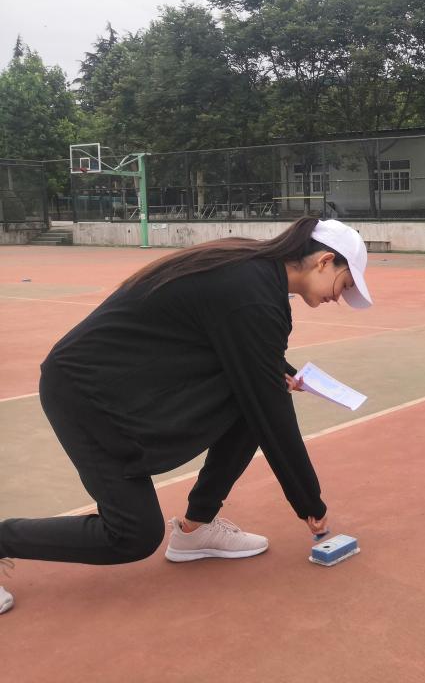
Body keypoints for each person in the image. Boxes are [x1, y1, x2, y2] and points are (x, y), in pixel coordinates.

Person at [0, 216, 373, 614]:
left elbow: (245, 353)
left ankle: (196, 529)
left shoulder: (255, 275)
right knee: (133, 534)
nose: (340, 297)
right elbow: (272, 414)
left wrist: (276, 372)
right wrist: (310, 502)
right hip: (86, 393)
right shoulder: (252, 290)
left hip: (128, 389)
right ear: (324, 261)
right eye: (345, 284)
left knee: (250, 399)